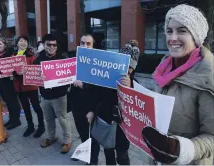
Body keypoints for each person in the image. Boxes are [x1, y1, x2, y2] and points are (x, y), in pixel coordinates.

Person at [126, 4, 214, 165]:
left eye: (182, 30)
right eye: (169, 31)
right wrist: (127, 115)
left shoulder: (208, 76)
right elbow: (154, 114)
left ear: (196, 36)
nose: (172, 38)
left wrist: (179, 150)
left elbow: (211, 137)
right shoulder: (164, 67)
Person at [87, 40, 140, 165]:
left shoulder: (135, 83)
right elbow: (96, 95)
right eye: (125, 65)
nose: (127, 70)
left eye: (131, 67)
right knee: (108, 153)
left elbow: (138, 105)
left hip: (122, 128)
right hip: (106, 120)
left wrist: (130, 87)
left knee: (122, 155)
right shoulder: (107, 77)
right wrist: (91, 110)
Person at [33, 34, 72, 154]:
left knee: (62, 119)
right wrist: (29, 72)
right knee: (48, 119)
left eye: (54, 45)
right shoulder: (38, 59)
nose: (51, 47)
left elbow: (69, 76)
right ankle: (51, 137)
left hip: (59, 96)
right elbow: (33, 76)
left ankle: (67, 140)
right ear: (43, 45)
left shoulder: (63, 58)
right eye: (49, 44)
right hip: (44, 96)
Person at [70, 34, 101, 164]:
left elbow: (100, 90)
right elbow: (61, 75)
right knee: (82, 133)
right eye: (82, 43)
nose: (85, 46)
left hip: (91, 107)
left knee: (94, 137)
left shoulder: (99, 63)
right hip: (76, 106)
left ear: (93, 46)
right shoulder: (74, 61)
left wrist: (93, 110)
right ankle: (84, 153)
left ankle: (93, 161)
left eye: (88, 43)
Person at [12, 36, 45, 138]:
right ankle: (30, 126)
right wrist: (17, 73)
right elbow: (10, 71)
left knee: (36, 107)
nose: (23, 43)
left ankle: (41, 126)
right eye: (21, 41)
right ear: (17, 43)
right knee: (25, 108)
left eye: (25, 41)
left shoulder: (31, 55)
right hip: (19, 87)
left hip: (31, 87)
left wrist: (27, 72)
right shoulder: (13, 56)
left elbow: (37, 69)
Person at [0, 37, 21, 130]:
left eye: (0, 44)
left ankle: (16, 121)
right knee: (7, 102)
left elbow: (15, 67)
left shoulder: (9, 54)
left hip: (8, 82)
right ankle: (11, 119)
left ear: (5, 45)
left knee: (12, 102)